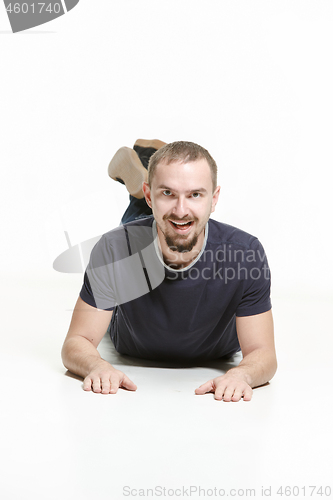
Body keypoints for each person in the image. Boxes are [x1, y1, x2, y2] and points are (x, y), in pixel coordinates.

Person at [61, 139, 277, 402]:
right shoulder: (114, 249)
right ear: (151, 195)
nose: (182, 208)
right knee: (149, 225)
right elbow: (76, 342)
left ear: (215, 198)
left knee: (175, 222)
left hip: (214, 347)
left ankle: (153, 170)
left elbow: (263, 353)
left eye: (196, 194)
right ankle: (141, 188)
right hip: (132, 320)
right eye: (167, 193)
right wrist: (97, 366)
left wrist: (242, 374)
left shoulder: (245, 253)